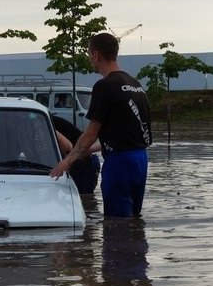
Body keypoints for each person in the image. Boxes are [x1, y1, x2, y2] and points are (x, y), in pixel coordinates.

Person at [50, 32, 151, 217]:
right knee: (134, 220)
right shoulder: (135, 84)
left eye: (89, 55)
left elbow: (90, 133)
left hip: (119, 163)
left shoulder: (105, 86)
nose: (90, 60)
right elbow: (126, 133)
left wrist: (68, 160)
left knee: (116, 225)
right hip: (140, 160)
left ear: (96, 54)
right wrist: (88, 150)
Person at [51, 115, 101, 195]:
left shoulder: (43, 124)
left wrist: (67, 162)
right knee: (86, 201)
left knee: (82, 200)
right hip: (77, 158)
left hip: (83, 162)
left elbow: (68, 148)